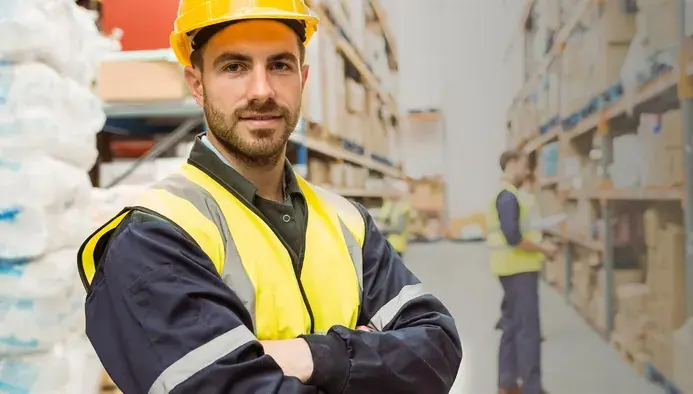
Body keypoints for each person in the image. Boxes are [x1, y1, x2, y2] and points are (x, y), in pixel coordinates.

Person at [76, 1, 462, 393]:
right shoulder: (153, 236)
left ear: (303, 78)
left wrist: (311, 356)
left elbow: (438, 351)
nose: (261, 91)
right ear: (197, 84)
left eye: (280, 65)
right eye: (234, 67)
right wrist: (372, 360)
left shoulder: (349, 222)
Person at [486, 150, 557, 394]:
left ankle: (506, 383)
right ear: (512, 164)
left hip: (508, 268)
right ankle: (532, 387)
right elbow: (513, 236)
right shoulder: (508, 196)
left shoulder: (505, 194)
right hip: (519, 269)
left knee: (511, 325)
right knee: (528, 330)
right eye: (523, 166)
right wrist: (544, 249)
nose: (526, 172)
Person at [375, 180, 411, 258]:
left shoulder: (404, 207)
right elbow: (383, 218)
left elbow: (399, 228)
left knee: (394, 269)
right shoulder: (388, 204)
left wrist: (382, 228)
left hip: (396, 246)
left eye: (394, 190)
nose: (391, 192)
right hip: (384, 245)